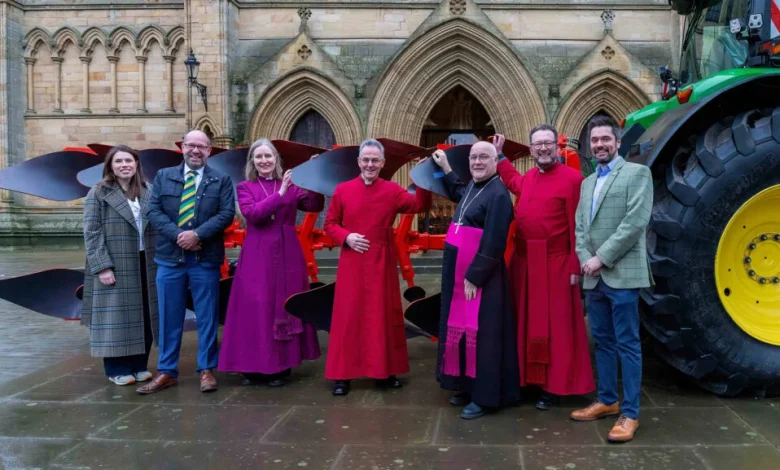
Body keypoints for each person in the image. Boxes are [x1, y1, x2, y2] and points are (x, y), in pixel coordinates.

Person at [493, 129, 595, 410]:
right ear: (530, 149)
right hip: (524, 264)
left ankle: (554, 386)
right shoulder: (530, 178)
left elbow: (579, 227)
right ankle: (529, 380)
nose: (543, 148)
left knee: (556, 328)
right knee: (524, 324)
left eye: (548, 143)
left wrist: (576, 265)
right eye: (537, 144)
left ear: (556, 145)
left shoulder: (573, 180)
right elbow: (514, 182)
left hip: (557, 264)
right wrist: (500, 156)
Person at [323, 138, 432, 396]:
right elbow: (329, 224)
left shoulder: (392, 190)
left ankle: (383, 372)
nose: (370, 164)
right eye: (366, 159)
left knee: (382, 316)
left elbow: (420, 205)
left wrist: (422, 176)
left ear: (382, 163)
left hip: (381, 261)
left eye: (375, 160)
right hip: (352, 260)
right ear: (358, 162)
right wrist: (346, 237)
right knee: (348, 317)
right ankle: (343, 375)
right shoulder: (343, 190)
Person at [572, 115, 653, 443]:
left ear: (617, 143)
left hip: (621, 275)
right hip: (594, 278)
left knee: (628, 344)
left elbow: (635, 222)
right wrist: (584, 261)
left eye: (606, 139)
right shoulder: (587, 182)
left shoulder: (637, 173)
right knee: (603, 342)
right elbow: (580, 227)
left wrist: (600, 258)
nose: (600, 145)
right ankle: (607, 400)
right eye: (595, 141)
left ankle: (630, 413)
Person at [217, 139, 323, 386]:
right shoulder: (245, 187)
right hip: (258, 251)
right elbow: (253, 215)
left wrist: (314, 177)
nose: (264, 161)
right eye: (259, 156)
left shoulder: (291, 183)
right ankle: (251, 366)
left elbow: (313, 204)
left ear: (276, 159)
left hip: (287, 251)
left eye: (269, 156)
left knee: (284, 303)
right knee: (257, 306)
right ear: (252, 161)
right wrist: (281, 194)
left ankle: (280, 365)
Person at [138, 130, 236, 395]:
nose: (195, 150)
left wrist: (198, 235)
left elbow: (227, 213)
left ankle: (206, 370)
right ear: (182, 147)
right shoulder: (163, 176)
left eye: (201, 147)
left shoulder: (221, 179)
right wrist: (179, 236)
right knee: (169, 317)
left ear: (209, 151)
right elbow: (153, 210)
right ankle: (167, 371)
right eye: (191, 145)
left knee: (207, 316)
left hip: (205, 259)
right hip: (170, 259)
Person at [431, 141, 521, 419]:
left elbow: (495, 241)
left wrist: (474, 276)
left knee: (484, 337)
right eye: (474, 158)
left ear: (496, 162)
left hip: (483, 278)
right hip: (461, 274)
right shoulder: (473, 186)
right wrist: (445, 168)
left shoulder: (498, 194)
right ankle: (467, 385)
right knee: (463, 330)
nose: (478, 162)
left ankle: (485, 397)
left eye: (484, 157)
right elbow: (460, 191)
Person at [82, 145, 158, 386]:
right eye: (119, 161)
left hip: (145, 260)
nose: (125, 165)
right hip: (115, 260)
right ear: (111, 166)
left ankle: (139, 365)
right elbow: (92, 231)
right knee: (115, 317)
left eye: (129, 160)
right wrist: (102, 266)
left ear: (137, 165)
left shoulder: (148, 190)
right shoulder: (99, 192)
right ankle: (116, 368)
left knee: (144, 315)